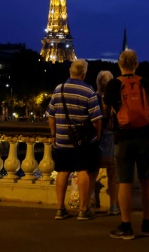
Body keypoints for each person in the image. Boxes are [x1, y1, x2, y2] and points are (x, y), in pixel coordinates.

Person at [104, 49, 149, 240]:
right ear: (137, 64)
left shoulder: (113, 85)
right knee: (147, 181)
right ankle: (147, 222)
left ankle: (126, 226)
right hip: (146, 135)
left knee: (124, 182)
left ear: (119, 64)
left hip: (124, 137)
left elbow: (108, 108)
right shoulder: (145, 83)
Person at [47, 59, 102, 221]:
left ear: (70, 71)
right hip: (82, 141)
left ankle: (59, 208)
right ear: (84, 74)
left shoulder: (59, 89)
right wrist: (97, 136)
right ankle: (83, 209)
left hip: (62, 138)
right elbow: (97, 119)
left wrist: (53, 135)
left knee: (63, 172)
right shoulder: (89, 91)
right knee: (83, 170)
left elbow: (51, 116)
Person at [95, 70, 119, 215]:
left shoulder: (93, 98)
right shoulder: (115, 100)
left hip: (97, 140)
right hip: (112, 139)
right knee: (113, 173)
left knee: (92, 172)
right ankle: (114, 206)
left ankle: (88, 203)